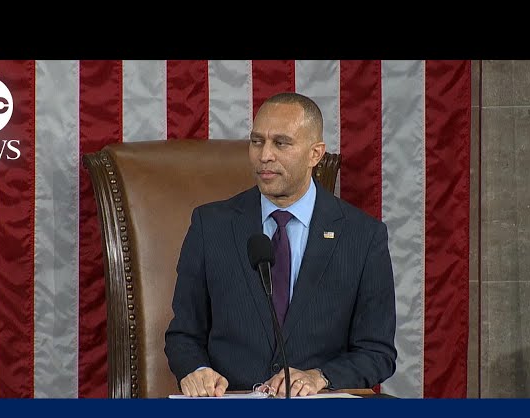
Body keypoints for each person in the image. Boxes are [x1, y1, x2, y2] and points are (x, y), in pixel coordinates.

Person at [164, 92, 397, 397]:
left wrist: (320, 377)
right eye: (257, 141)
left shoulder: (363, 236)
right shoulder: (211, 226)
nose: (264, 156)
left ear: (315, 154)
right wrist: (196, 371)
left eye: (281, 143)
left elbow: (378, 353)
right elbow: (183, 335)